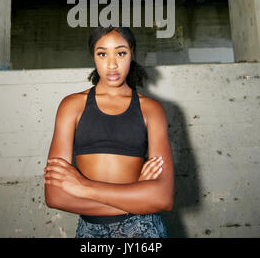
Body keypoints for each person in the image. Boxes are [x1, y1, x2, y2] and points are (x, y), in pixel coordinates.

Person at [43, 25, 175, 238]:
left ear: (132, 54)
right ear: (93, 57)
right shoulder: (71, 106)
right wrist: (138, 198)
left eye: (121, 53)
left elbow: (163, 198)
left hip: (143, 230)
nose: (112, 64)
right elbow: (55, 197)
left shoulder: (151, 109)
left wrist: (85, 187)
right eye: (102, 53)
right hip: (90, 232)